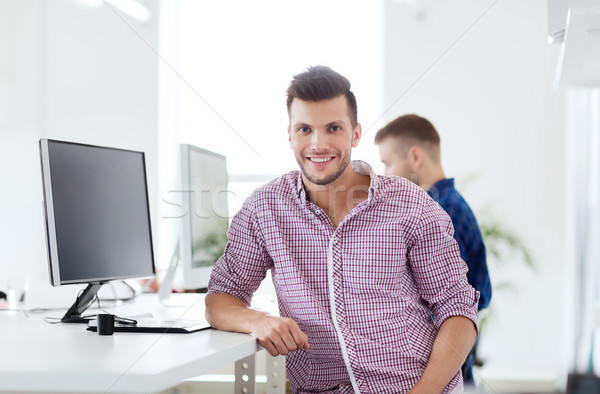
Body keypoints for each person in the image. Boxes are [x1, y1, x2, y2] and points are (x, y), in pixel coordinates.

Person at [206, 66, 479, 393]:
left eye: (333, 128)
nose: (318, 144)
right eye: (305, 129)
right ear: (290, 135)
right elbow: (220, 298)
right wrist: (258, 320)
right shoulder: (265, 209)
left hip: (413, 386)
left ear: (356, 133)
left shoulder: (412, 204)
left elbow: (458, 310)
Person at [374, 114, 492, 385]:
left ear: (415, 157)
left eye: (388, 163)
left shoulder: (439, 213)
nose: (384, 175)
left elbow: (448, 302)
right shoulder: (447, 204)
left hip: (442, 368)